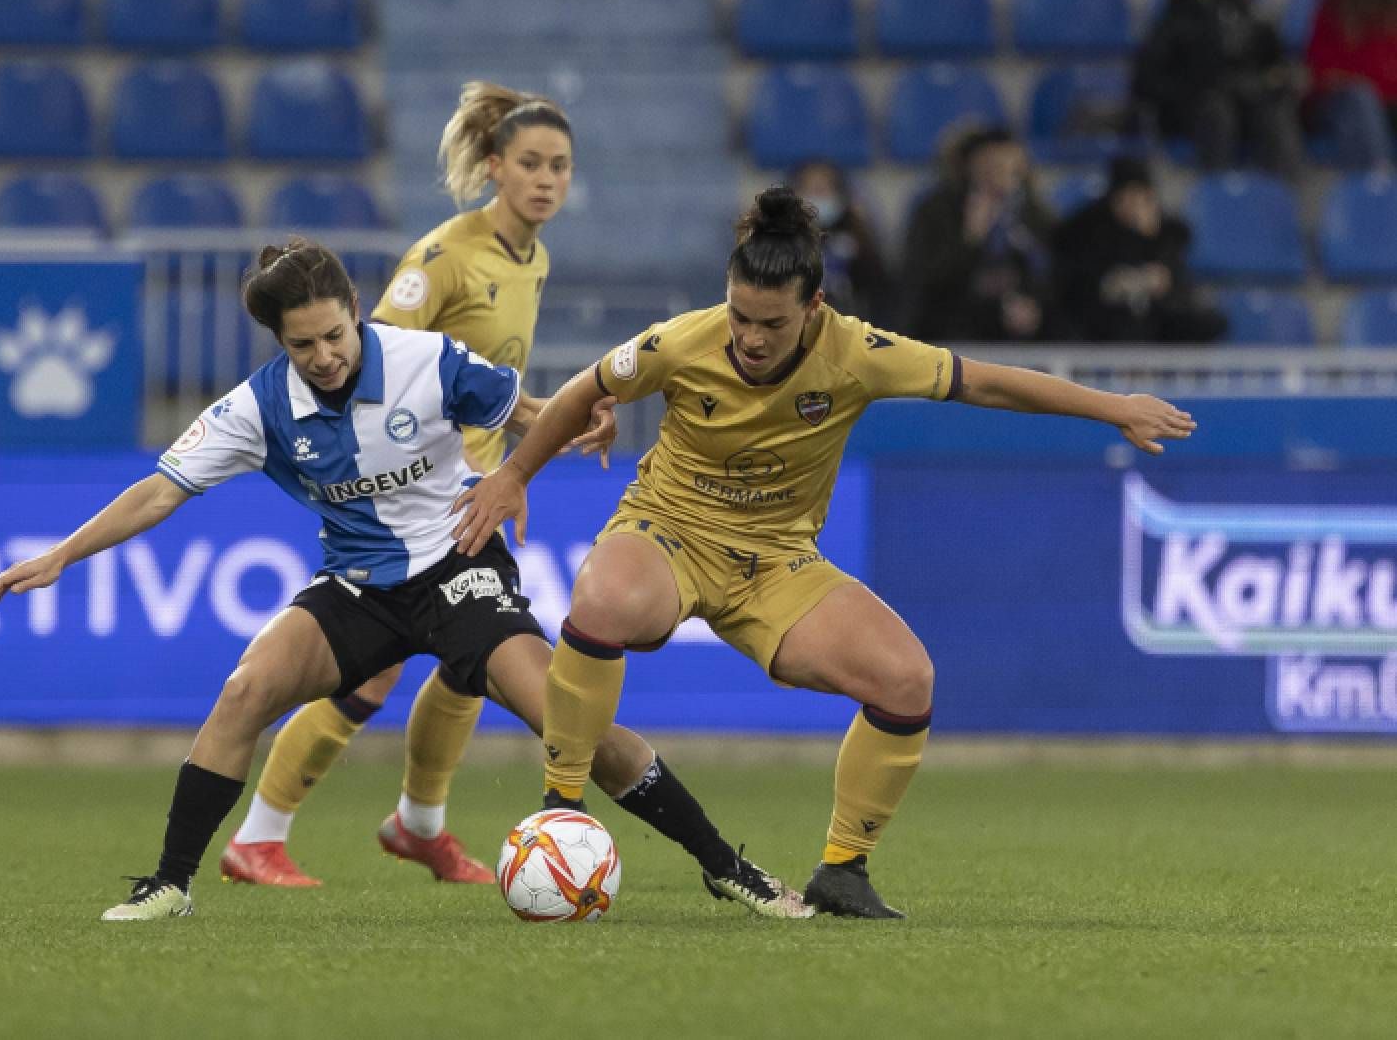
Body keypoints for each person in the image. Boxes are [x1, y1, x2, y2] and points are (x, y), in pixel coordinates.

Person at [0, 239, 809, 922]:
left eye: (336, 334)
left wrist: (575, 416)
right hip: (357, 586)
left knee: (571, 719)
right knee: (244, 690)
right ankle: (170, 883)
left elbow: (521, 408)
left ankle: (725, 866)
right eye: (303, 345)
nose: (326, 355)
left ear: (354, 311)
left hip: (460, 567)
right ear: (281, 345)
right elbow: (160, 490)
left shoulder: (423, 359)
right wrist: (62, 554)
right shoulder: (257, 408)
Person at [450, 188, 1196, 920]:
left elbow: (988, 384)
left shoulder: (859, 353)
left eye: (771, 323)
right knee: (602, 599)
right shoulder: (682, 340)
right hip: (669, 531)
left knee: (907, 680)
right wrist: (515, 475)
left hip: (777, 562)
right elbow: (587, 388)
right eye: (740, 315)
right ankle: (563, 812)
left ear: (813, 308)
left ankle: (843, 871)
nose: (749, 336)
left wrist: (1114, 407)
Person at [222, 83, 613, 891]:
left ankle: (418, 823)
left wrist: (548, 422)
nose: (547, 180)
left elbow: (483, 380)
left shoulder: (532, 257)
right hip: (400, 496)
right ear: (495, 168)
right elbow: (377, 367)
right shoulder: (441, 261)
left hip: (468, 492)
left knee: (468, 657)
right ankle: (262, 835)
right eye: (531, 164)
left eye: (561, 167)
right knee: (374, 669)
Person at [1132, 0, 1304, 177]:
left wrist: (1270, 81)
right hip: (1197, 109)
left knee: (1275, 115)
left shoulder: (1254, 16)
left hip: (1249, 103)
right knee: (1217, 111)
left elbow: (1276, 64)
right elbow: (1149, 78)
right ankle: (1216, 190)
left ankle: (1281, 194)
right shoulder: (1178, 18)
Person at [902, 126, 1055, 342]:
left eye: (1010, 168)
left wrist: (1035, 305)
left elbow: (1055, 274)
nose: (1001, 176)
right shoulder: (936, 211)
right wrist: (971, 239)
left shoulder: (1035, 213)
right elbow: (923, 282)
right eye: (992, 167)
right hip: (953, 333)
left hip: (1025, 337)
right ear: (970, 167)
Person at [1053, 157, 1228, 344]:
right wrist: (1114, 283)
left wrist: (1150, 239)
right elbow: (1080, 283)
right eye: (1127, 197)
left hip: (1158, 318)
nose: (1134, 205)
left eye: (1142, 197)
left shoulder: (1168, 233)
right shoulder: (1090, 230)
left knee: (1207, 321)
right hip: (1104, 320)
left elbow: (1174, 281)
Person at [1303, 0, 1397, 170]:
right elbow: (1322, 72)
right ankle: (1377, 186)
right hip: (1343, 104)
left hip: (1389, 102)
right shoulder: (1334, 6)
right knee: (1361, 99)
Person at [786, 160, 892, 324]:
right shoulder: (783, 238)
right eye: (811, 189)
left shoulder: (855, 231)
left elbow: (878, 286)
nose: (818, 197)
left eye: (824, 189)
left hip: (851, 325)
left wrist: (861, 233)